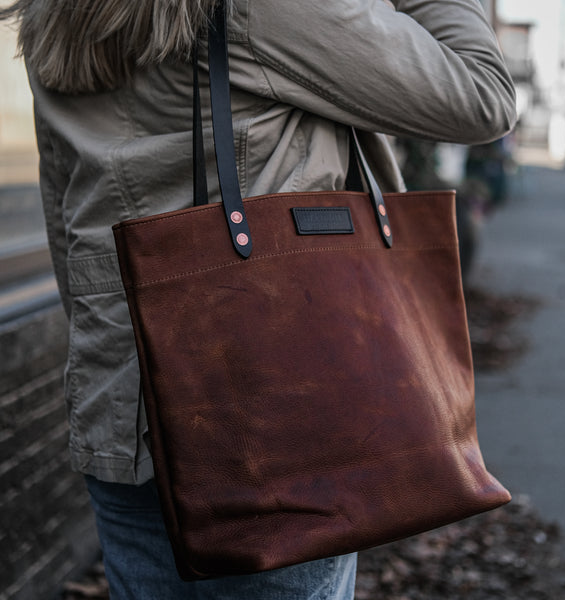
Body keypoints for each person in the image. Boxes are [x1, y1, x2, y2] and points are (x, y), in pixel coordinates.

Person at [1, 0, 516, 598]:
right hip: (266, 414)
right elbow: (483, 95)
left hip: (119, 400)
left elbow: (65, 216)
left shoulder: (55, 12)